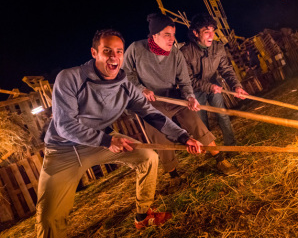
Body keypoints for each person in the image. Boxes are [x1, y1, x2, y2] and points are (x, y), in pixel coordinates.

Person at [36, 29, 204, 237]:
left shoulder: (125, 86)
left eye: (119, 51)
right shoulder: (70, 78)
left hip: (103, 141)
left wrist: (183, 137)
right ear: (94, 53)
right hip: (64, 150)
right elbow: (64, 125)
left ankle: (143, 215)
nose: (114, 57)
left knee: (148, 157)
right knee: (49, 218)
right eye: (107, 51)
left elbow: (152, 115)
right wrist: (106, 140)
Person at [122, 13, 238, 185]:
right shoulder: (136, 49)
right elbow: (126, 74)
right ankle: (174, 176)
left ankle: (220, 158)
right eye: (167, 34)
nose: (172, 39)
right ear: (154, 35)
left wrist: (190, 97)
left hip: (173, 97)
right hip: (151, 103)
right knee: (160, 135)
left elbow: (184, 81)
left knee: (196, 122)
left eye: (174, 34)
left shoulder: (176, 54)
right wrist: (141, 89)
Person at [181, 13, 248, 149]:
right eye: (206, 32)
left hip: (213, 85)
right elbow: (188, 80)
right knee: (202, 122)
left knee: (222, 115)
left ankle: (231, 146)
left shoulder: (218, 47)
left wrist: (236, 86)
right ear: (195, 33)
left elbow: (226, 69)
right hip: (195, 91)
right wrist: (208, 87)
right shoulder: (185, 52)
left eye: (212, 31)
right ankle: (213, 151)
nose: (211, 36)